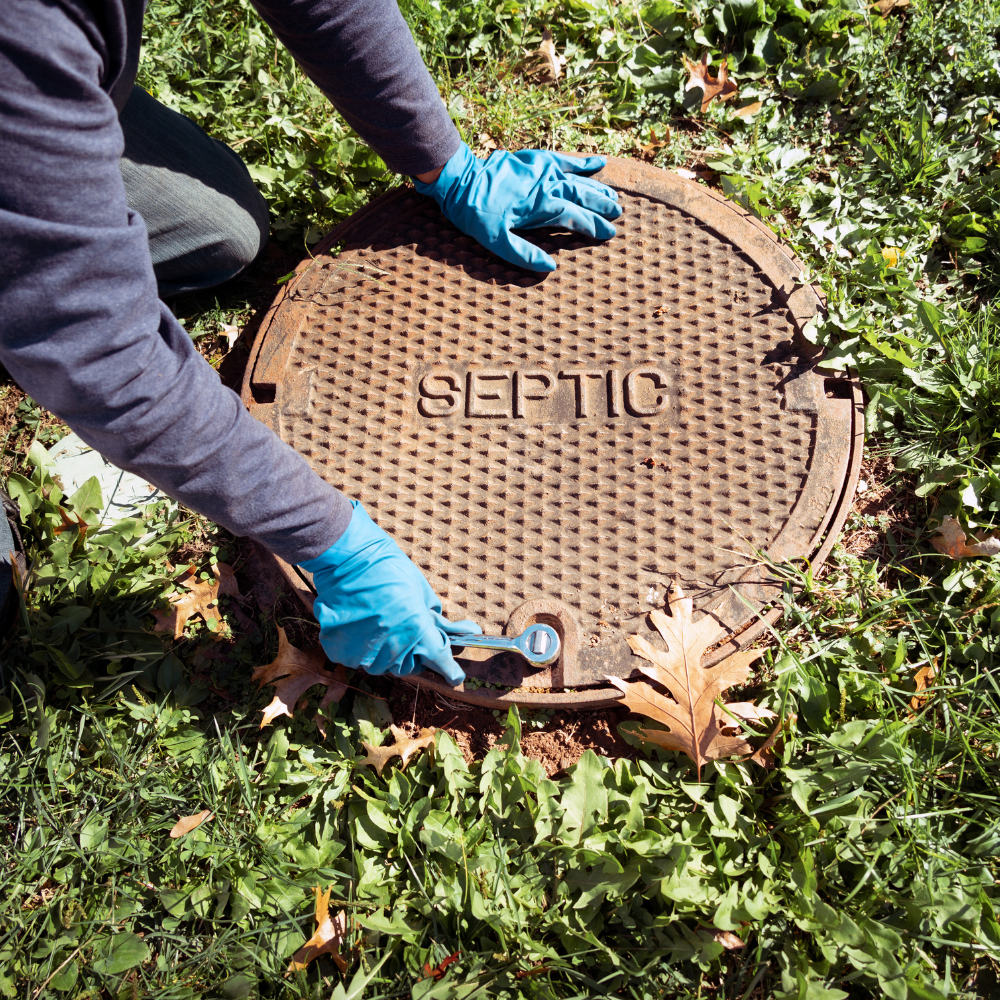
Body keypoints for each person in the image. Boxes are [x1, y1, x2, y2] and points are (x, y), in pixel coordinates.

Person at [0, 0, 621, 684]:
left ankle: (49, 170)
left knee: (220, 232)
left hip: (39, 89)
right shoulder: (23, 34)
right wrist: (332, 544)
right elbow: (101, 352)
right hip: (20, 82)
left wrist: (445, 164)